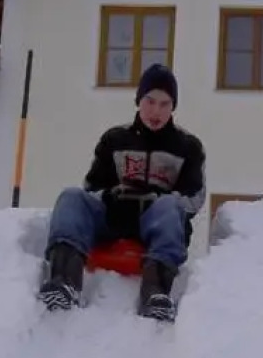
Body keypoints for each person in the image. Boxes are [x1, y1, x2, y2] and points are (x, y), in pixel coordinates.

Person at [37, 63, 206, 321]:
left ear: (173, 107)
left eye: (165, 104)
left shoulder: (188, 147)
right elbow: (91, 187)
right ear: (139, 101)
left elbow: (194, 198)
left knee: (171, 208)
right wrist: (110, 195)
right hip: (114, 216)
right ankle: (64, 280)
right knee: (71, 197)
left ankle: (156, 292)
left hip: (156, 223)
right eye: (150, 101)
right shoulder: (115, 139)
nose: (156, 111)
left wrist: (159, 200)